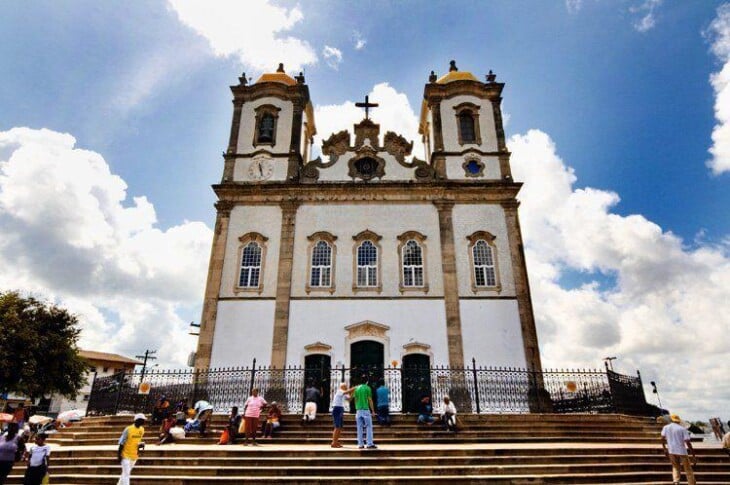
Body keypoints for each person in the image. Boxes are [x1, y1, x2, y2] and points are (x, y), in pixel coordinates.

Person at [661, 414, 696, 485]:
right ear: (678, 421)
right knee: (688, 470)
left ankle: (676, 481)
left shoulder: (665, 427)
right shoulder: (682, 429)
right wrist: (693, 454)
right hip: (682, 451)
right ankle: (691, 483)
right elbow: (688, 442)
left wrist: (664, 448)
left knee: (675, 467)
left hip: (671, 450)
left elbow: (662, 438)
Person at [117, 414, 145, 485]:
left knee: (125, 473)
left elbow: (137, 441)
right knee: (126, 474)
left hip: (134, 456)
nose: (144, 421)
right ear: (137, 420)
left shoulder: (142, 430)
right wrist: (119, 455)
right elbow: (121, 442)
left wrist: (140, 447)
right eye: (142, 420)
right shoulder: (128, 429)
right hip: (125, 455)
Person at [353, 374, 376, 449]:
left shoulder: (356, 388)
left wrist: (357, 407)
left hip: (358, 410)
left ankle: (360, 444)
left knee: (359, 428)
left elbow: (355, 399)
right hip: (365, 409)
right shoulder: (367, 388)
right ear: (367, 381)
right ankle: (369, 443)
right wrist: (373, 411)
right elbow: (370, 400)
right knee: (368, 427)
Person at [331, 382, 355, 448]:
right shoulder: (339, 391)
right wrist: (354, 388)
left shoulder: (344, 393)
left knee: (340, 427)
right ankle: (334, 442)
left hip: (340, 409)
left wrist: (353, 392)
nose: (347, 387)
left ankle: (336, 441)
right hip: (337, 408)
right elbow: (347, 392)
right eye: (346, 386)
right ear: (342, 387)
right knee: (337, 426)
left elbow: (349, 399)